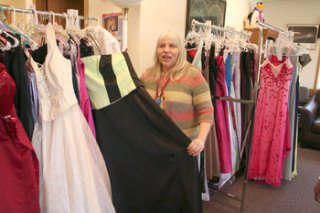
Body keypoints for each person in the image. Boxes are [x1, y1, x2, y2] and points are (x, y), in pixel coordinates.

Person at [140, 31, 214, 157]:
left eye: (172, 46)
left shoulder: (193, 75)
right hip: (152, 146)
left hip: (183, 148)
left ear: (180, 50)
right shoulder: (147, 76)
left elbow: (206, 112)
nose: (166, 50)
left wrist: (200, 140)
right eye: (162, 46)